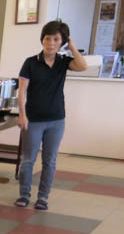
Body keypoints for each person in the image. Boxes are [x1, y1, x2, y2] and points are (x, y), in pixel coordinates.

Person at [15, 20, 88, 210]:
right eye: (48, 38)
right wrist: (22, 115)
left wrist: (71, 46)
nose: (51, 43)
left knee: (50, 160)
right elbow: (22, 91)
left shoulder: (64, 62)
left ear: (61, 42)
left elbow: (83, 66)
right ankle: (24, 194)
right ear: (42, 40)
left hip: (56, 120)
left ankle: (43, 197)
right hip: (33, 119)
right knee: (28, 159)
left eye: (56, 39)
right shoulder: (31, 63)